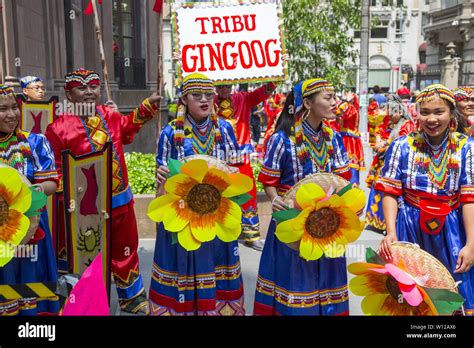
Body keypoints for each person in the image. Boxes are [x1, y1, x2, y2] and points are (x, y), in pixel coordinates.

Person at [45, 68, 160, 314]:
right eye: (82, 87)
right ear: (69, 94)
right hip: (86, 210)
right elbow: (57, 173)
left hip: (120, 202)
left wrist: (147, 107)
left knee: (126, 249)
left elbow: (128, 130)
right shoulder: (58, 129)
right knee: (88, 254)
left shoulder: (111, 116)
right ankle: (87, 298)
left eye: (93, 86)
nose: (89, 92)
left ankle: (131, 297)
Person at [254, 78, 356, 316]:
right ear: (308, 103)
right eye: (328, 98)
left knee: (328, 279)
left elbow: (343, 180)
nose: (335, 103)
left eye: (335, 97)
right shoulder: (282, 139)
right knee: (295, 280)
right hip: (292, 222)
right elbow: (270, 180)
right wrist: (274, 199)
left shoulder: (334, 138)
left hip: (328, 223)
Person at [151, 73, 245, 315]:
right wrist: (162, 176)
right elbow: (161, 182)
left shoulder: (224, 129)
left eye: (209, 95)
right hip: (182, 212)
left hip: (216, 212)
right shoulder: (171, 133)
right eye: (197, 95)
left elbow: (236, 171)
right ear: (184, 99)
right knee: (181, 261)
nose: (205, 100)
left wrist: (231, 172)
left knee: (218, 263)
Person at [377, 84, 474, 316]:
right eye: (425, 112)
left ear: (451, 113)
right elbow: (390, 191)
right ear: (416, 113)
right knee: (409, 294)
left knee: (454, 291)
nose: (431, 119)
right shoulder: (402, 146)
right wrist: (391, 232)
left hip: (452, 229)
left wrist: (471, 243)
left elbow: (469, 197)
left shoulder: (466, 147)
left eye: (439, 112)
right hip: (409, 226)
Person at [0, 84, 59, 315]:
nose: (12, 114)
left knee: (29, 279)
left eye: (14, 107)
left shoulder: (35, 142)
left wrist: (32, 190)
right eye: (3, 109)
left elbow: (53, 182)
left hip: (30, 228)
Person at [215, 81, 277, 251]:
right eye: (220, 86)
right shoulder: (209, 101)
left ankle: (252, 235)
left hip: (241, 158)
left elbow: (264, 91)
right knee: (218, 198)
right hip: (218, 159)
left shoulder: (242, 99)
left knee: (248, 196)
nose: (224, 90)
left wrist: (277, 73)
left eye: (227, 86)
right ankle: (220, 235)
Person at [365, 94, 415, 233]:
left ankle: (391, 223)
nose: (391, 115)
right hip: (385, 161)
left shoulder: (407, 125)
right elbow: (381, 131)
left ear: (401, 112)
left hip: (398, 164)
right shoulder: (392, 123)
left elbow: (403, 144)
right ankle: (379, 221)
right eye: (389, 112)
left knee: (391, 191)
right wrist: (380, 140)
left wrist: (384, 146)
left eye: (394, 113)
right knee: (380, 188)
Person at [337, 91, 365, 185]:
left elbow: (339, 111)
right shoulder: (353, 108)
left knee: (349, 164)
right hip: (350, 138)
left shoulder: (350, 108)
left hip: (348, 140)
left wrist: (345, 100)